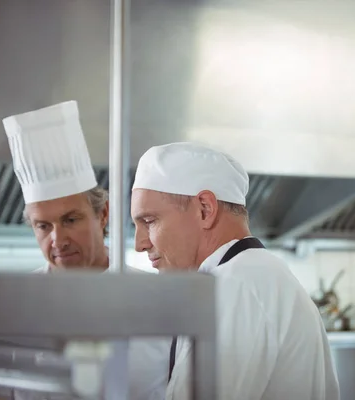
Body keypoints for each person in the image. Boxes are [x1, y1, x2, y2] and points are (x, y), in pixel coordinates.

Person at [0, 101, 170, 400]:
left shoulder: (160, 300)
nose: (57, 240)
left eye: (70, 220)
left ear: (102, 214)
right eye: (43, 226)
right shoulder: (11, 306)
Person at [130, 142, 340, 400]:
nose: (140, 243)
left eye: (149, 221)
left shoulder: (236, 285)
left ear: (205, 209)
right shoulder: (248, 276)